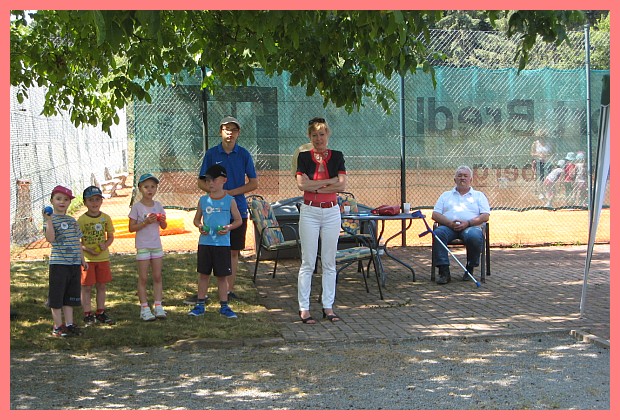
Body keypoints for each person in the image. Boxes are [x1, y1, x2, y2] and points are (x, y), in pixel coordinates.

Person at [194, 116, 258, 303]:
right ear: (220, 131)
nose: (230, 132)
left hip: (237, 209)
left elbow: (253, 183)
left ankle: (228, 291)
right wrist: (216, 194)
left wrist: (229, 194)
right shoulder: (212, 154)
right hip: (214, 213)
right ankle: (203, 293)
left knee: (233, 251)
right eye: (226, 129)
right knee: (212, 250)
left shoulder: (244, 154)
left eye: (234, 129)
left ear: (238, 133)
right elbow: (200, 181)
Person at [295, 117, 347, 324]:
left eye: (322, 134)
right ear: (310, 137)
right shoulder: (304, 157)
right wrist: (330, 181)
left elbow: (342, 186)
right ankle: (304, 308)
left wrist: (316, 184)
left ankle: (328, 306)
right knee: (307, 262)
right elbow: (301, 185)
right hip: (310, 211)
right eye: (314, 135)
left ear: (328, 135)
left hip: (331, 211)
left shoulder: (337, 156)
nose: (319, 139)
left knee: (329, 262)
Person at [188, 164, 243, 319]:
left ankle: (224, 306)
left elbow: (238, 220)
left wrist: (228, 227)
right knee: (203, 275)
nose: (210, 183)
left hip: (222, 245)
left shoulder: (229, 200)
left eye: (214, 179)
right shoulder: (203, 200)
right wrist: (200, 226)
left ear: (224, 180)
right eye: (207, 180)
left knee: (222, 276)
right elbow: (196, 219)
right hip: (205, 244)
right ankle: (200, 305)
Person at [432, 166, 490, 284]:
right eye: (459, 176)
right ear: (455, 180)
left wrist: (468, 223)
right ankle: (444, 272)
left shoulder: (479, 196)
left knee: (474, 235)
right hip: (448, 227)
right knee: (438, 233)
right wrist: (449, 223)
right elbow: (435, 215)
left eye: (465, 176)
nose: (462, 178)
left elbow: (485, 216)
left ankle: (470, 268)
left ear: (471, 179)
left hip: (471, 227)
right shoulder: (445, 195)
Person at [43, 185, 88, 337]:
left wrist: (82, 259)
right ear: (52, 201)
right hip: (58, 264)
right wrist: (48, 220)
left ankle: (69, 324)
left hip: (74, 264)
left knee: (70, 296)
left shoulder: (72, 221)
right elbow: (50, 238)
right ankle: (57, 326)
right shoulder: (50, 220)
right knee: (57, 296)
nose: (62, 202)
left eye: (66, 199)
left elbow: (77, 242)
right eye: (58, 199)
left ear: (69, 202)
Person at [128, 173, 168, 321]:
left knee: (157, 276)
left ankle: (158, 305)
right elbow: (131, 228)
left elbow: (163, 226)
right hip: (143, 246)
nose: (149, 190)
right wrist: (145, 222)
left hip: (156, 245)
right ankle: (144, 307)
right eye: (146, 187)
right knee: (143, 277)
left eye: (152, 187)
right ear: (140, 189)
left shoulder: (158, 205)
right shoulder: (137, 207)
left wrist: (162, 220)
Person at [78, 186, 116, 325]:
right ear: (85, 202)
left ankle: (100, 311)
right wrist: (87, 249)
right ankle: (87, 314)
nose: (94, 203)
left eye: (97, 199)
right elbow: (77, 242)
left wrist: (105, 245)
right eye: (91, 200)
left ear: (101, 201)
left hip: (103, 258)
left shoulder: (106, 218)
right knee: (86, 287)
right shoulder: (81, 220)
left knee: (101, 285)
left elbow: (111, 236)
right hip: (87, 259)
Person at [530, 130, 553, 199]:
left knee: (548, 177)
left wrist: (546, 155)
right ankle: (541, 193)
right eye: (540, 137)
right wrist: (538, 154)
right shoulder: (535, 143)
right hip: (539, 161)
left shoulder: (549, 143)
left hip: (547, 162)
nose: (541, 138)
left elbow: (552, 152)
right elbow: (532, 153)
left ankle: (547, 192)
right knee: (540, 178)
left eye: (543, 137)